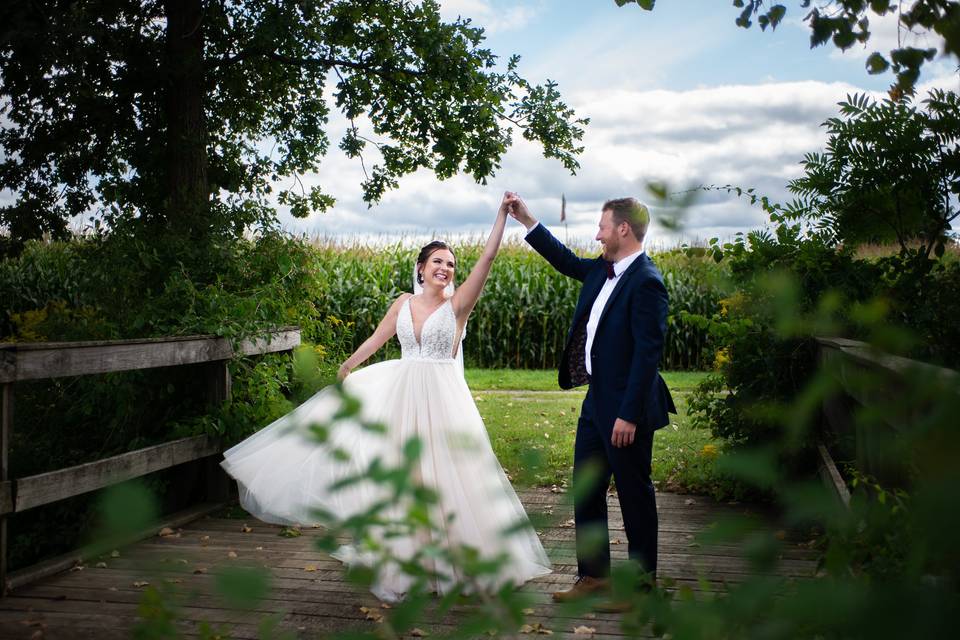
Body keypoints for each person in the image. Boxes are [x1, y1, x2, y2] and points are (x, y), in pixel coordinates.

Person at [221, 193, 551, 602]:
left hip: (443, 398)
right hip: (403, 394)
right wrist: (347, 367)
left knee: (448, 473)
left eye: (450, 264)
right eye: (438, 262)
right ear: (421, 268)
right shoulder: (403, 303)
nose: (445, 268)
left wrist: (502, 216)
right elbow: (377, 339)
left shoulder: (459, 306)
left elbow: (486, 260)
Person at [505, 193, 675, 607]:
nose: (596, 234)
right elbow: (565, 260)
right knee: (587, 488)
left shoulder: (647, 281)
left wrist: (629, 415)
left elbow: (647, 355)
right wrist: (527, 220)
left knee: (635, 494)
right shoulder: (603, 269)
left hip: (627, 409)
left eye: (602, 226)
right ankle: (594, 576)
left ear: (623, 228)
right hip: (596, 400)